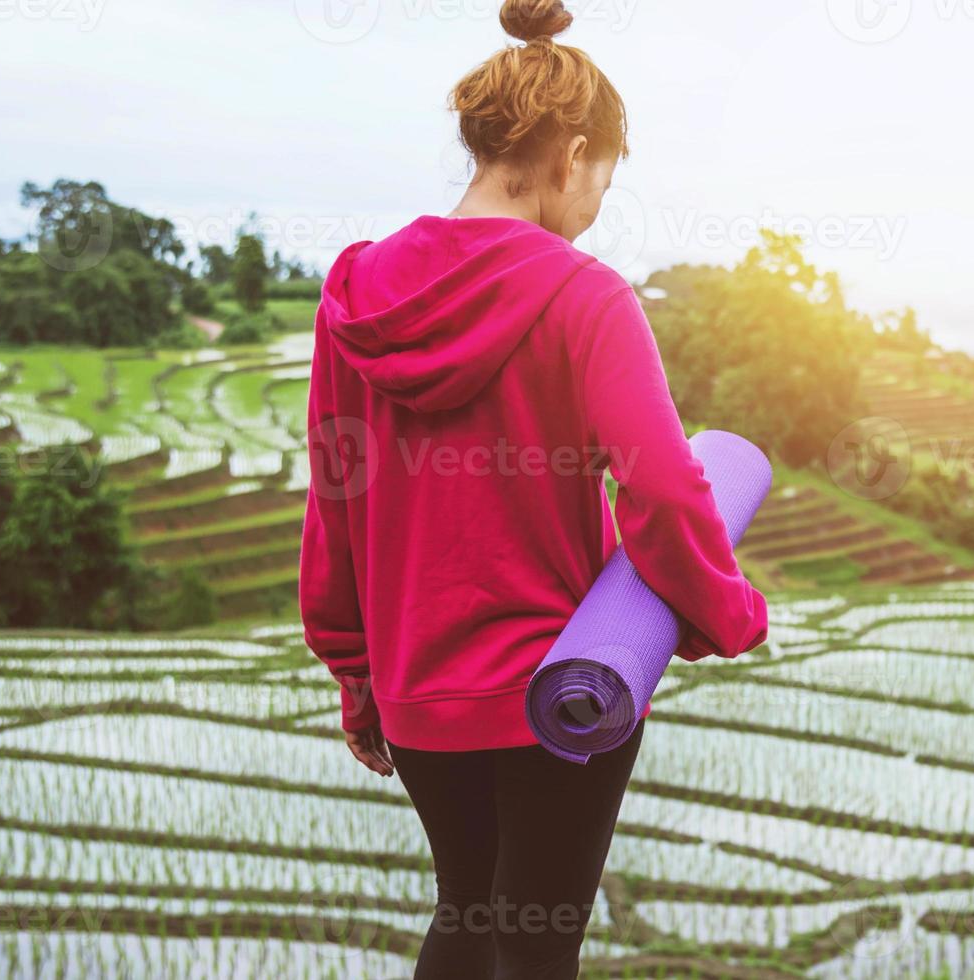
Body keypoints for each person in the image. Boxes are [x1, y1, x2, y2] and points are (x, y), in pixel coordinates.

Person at [297, 2, 769, 976]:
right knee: (537, 942)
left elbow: (336, 495)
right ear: (575, 156)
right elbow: (666, 491)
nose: (597, 204)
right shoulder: (584, 296)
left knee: (469, 913)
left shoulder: (356, 290)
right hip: (566, 688)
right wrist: (729, 610)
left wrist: (356, 673)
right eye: (605, 178)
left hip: (419, 686)